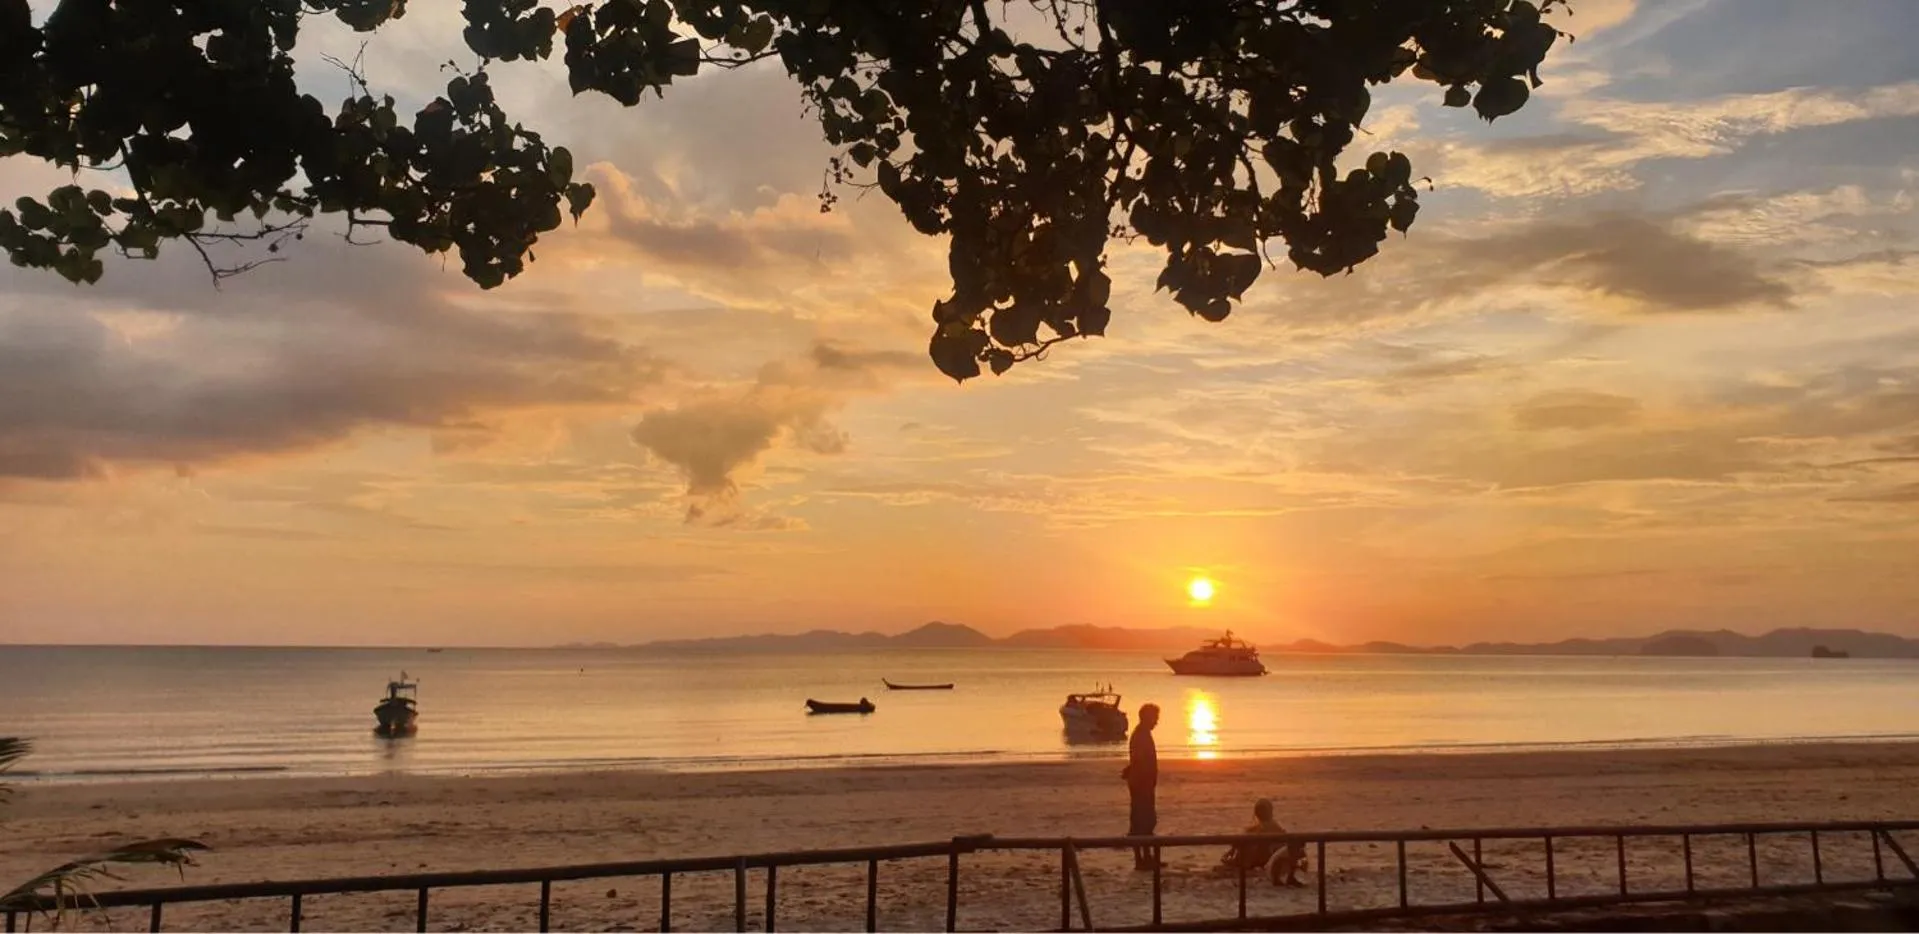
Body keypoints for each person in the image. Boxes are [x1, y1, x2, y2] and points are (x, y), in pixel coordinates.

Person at [1219, 798, 1308, 887]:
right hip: (1268, 864)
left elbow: (1229, 856)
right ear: (1270, 812)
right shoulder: (1276, 829)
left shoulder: (1250, 831)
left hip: (1258, 864)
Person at [1120, 702, 1160, 870]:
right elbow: (1139, 759)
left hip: (1144, 782)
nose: (1156, 722)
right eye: (1155, 718)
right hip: (1141, 784)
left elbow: (1137, 759)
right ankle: (1141, 860)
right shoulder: (1141, 735)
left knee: (1146, 820)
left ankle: (1147, 856)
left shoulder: (1142, 734)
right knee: (1141, 821)